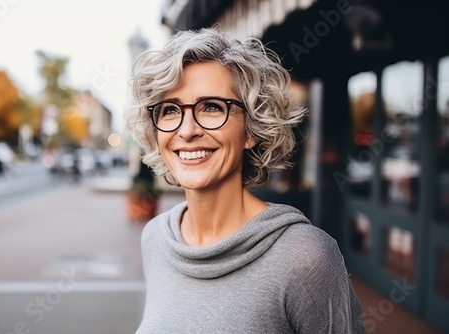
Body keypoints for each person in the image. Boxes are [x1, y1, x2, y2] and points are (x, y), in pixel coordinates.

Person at [125, 26, 365, 333]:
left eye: (211, 107)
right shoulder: (156, 238)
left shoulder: (304, 257)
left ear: (251, 129)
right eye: (170, 110)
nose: (186, 131)